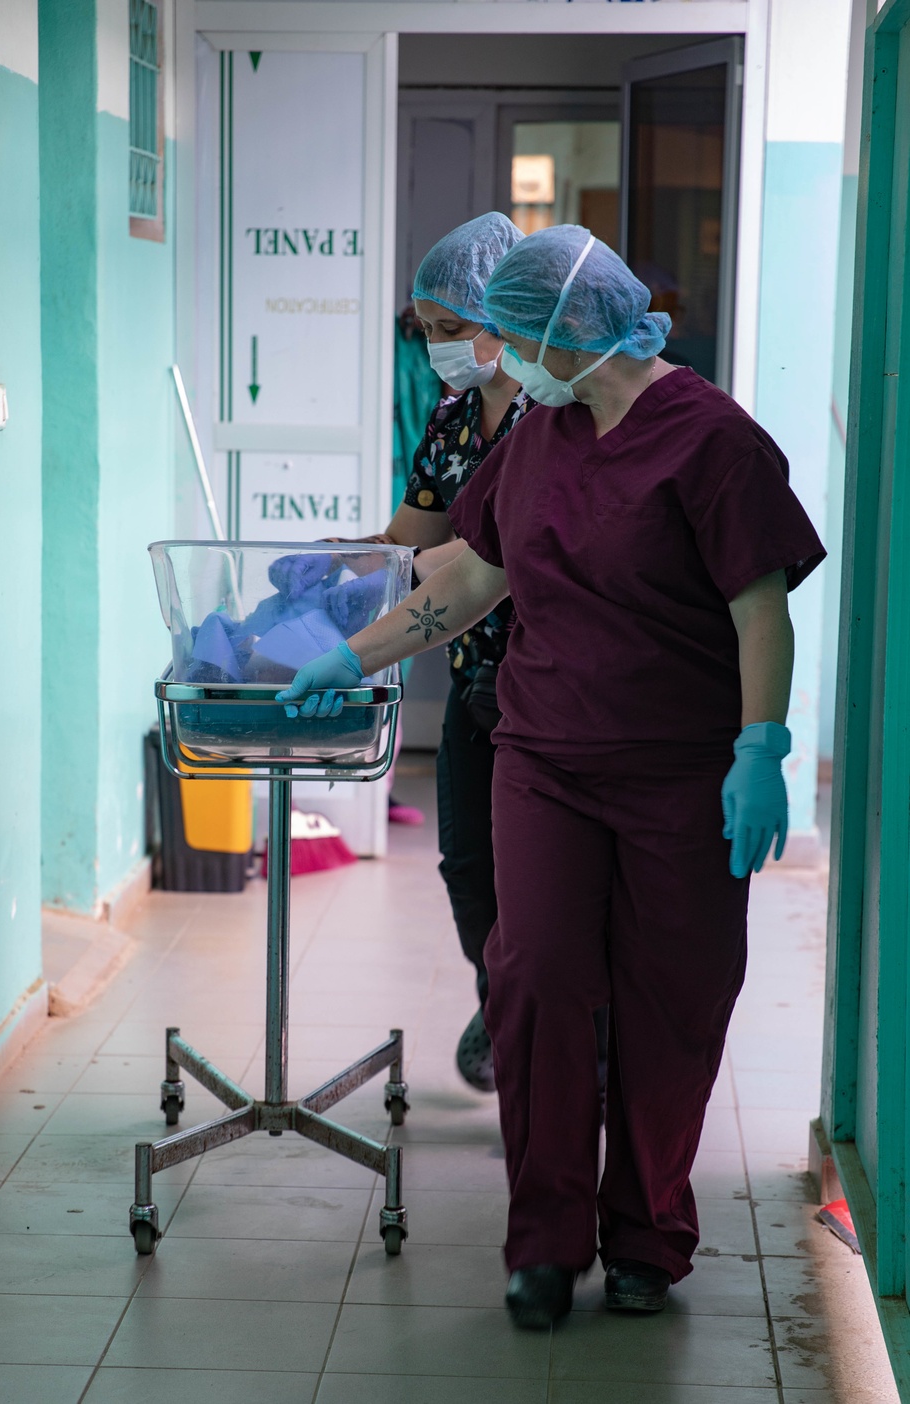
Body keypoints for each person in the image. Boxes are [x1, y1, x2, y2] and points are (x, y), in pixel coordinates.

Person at [277, 224, 825, 1331]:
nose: (505, 360)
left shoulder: (713, 441)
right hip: (543, 760)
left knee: (674, 1005)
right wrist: (355, 655)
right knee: (532, 984)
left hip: (679, 771)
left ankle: (645, 1239)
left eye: (516, 338)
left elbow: (757, 609)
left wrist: (760, 749)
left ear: (577, 331)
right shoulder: (537, 439)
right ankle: (543, 1244)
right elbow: (474, 577)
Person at [333, 211, 536, 1091]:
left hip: (549, 686)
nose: (440, 349)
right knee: (469, 871)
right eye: (428, 332)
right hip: (471, 683)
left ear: (507, 323)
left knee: (548, 887)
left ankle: (562, 1044)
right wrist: (329, 568)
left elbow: (481, 558)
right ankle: (503, 1000)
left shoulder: (553, 416)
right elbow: (406, 540)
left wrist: (395, 588)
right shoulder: (453, 421)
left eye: (456, 330)